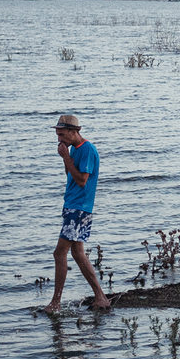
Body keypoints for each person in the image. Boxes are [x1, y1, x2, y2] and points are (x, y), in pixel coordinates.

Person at [46, 114, 112, 312]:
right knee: (77, 253)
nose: (59, 139)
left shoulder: (87, 150)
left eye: (63, 135)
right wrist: (66, 158)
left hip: (80, 207)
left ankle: (55, 303)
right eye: (57, 135)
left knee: (59, 253)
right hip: (72, 205)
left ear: (75, 132)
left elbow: (82, 180)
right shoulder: (74, 149)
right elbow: (70, 174)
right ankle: (101, 297)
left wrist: (66, 157)